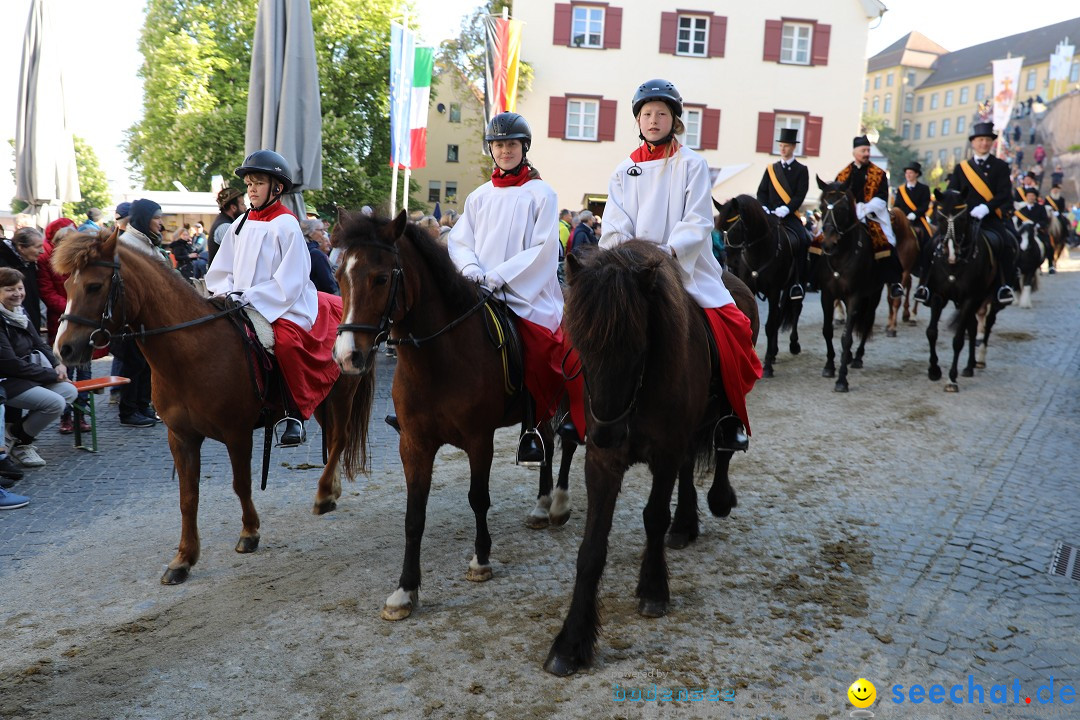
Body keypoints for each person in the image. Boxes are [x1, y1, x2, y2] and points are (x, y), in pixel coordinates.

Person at [599, 79, 761, 451]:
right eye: (647, 114)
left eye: (662, 113)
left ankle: (726, 414)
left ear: (675, 120)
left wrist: (669, 251)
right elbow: (614, 224)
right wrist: (633, 257)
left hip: (686, 267)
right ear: (637, 120)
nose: (653, 120)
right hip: (634, 270)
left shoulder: (692, 164)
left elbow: (699, 219)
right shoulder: (624, 171)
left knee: (731, 328)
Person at [447, 111, 586, 464]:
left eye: (511, 144)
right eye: (498, 145)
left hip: (526, 295)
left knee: (540, 352)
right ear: (490, 150)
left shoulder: (542, 193)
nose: (505, 150)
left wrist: (498, 277)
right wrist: (472, 269)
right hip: (478, 290)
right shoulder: (478, 196)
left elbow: (542, 249)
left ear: (524, 148)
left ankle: (534, 428)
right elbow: (460, 241)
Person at [205, 150, 342, 447]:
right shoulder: (240, 222)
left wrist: (249, 296)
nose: (251, 188)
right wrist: (226, 292)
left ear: (276, 188)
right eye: (249, 183)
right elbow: (221, 268)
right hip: (237, 301)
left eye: (258, 183)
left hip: (282, 303)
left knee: (287, 342)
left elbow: (290, 279)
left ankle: (293, 414)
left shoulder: (287, 224)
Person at [0, 268, 78, 468]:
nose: (18, 293)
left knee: (69, 391)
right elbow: (10, 364)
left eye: (20, 287)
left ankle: (14, 436)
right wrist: (52, 375)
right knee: (54, 403)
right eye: (10, 289)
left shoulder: (18, 312)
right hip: (7, 381)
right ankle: (23, 442)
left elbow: (39, 343)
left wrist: (57, 364)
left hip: (26, 376)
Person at [945, 121, 1018, 304]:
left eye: (987, 140)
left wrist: (987, 207)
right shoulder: (962, 168)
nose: (984, 143)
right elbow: (953, 192)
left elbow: (1004, 193)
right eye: (980, 140)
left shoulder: (1000, 166)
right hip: (965, 218)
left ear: (992, 143)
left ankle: (1005, 285)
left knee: (1006, 244)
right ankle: (928, 284)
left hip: (990, 218)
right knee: (937, 243)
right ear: (973, 142)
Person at [114, 199, 168, 427]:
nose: (160, 223)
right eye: (156, 218)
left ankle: (143, 405)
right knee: (134, 365)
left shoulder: (147, 241)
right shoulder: (129, 244)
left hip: (150, 320)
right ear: (145, 220)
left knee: (147, 365)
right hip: (133, 321)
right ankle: (128, 410)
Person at [37, 219, 92, 434]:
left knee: (85, 371)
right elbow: (48, 292)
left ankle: (82, 415)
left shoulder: (84, 264)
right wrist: (71, 310)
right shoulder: (48, 263)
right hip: (61, 322)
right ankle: (66, 416)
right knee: (64, 371)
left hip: (83, 324)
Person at [835, 136, 905, 300]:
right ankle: (817, 278)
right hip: (847, 216)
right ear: (855, 152)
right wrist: (851, 208)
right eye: (863, 151)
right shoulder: (843, 174)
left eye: (868, 150)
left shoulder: (879, 173)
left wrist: (866, 208)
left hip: (872, 215)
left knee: (887, 241)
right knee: (823, 237)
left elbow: (882, 196)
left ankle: (894, 282)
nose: (867, 154)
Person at [756, 126, 811, 300]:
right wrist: (764, 207)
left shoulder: (802, 170)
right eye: (781, 146)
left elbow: (800, 195)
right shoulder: (771, 169)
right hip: (770, 215)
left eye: (786, 146)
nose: (783, 149)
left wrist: (786, 209)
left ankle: (797, 283)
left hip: (789, 216)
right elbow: (761, 192)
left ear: (793, 147)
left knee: (803, 239)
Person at [0, 227, 47, 334]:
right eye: (38, 247)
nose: (42, 251)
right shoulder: (3, 263)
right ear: (21, 247)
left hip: (29, 327)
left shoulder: (29, 262)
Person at [208, 186, 246, 265]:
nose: (245, 208)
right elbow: (239, 255)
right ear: (233, 207)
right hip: (223, 277)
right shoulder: (225, 227)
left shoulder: (225, 223)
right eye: (242, 204)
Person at [300, 218, 338, 294]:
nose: (324, 233)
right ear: (310, 233)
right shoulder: (317, 255)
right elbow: (328, 285)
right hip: (317, 298)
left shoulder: (299, 249)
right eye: (321, 230)